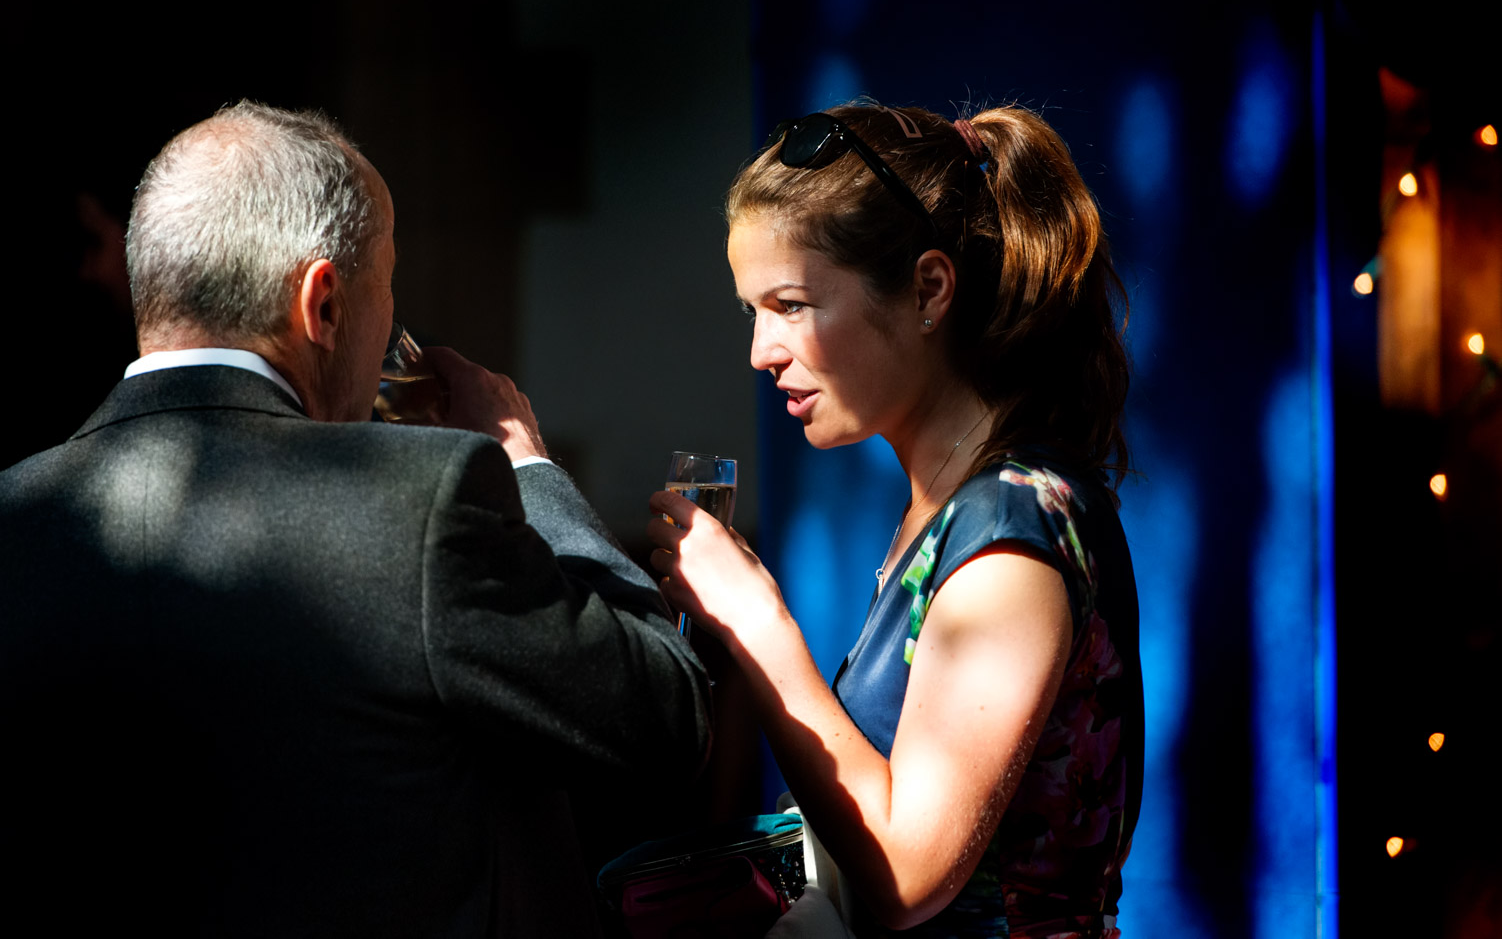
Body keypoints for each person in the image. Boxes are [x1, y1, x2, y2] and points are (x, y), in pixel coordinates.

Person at [0, 102, 712, 937]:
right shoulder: (426, 499)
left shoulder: (18, 516)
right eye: (388, 285)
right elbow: (665, 720)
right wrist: (525, 460)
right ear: (324, 303)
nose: (393, 328)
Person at [647, 103, 1142, 938]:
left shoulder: (1010, 525)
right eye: (753, 310)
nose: (762, 350)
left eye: (793, 303)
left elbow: (909, 874)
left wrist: (754, 620)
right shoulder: (950, 508)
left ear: (928, 289)